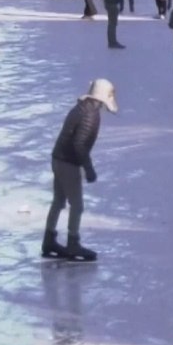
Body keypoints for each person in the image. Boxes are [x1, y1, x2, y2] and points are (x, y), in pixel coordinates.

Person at [42, 79, 119, 262]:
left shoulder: (80, 108)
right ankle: (73, 243)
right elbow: (79, 144)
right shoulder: (91, 115)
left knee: (58, 201)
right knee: (77, 205)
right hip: (69, 163)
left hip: (58, 158)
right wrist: (89, 168)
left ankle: (49, 240)